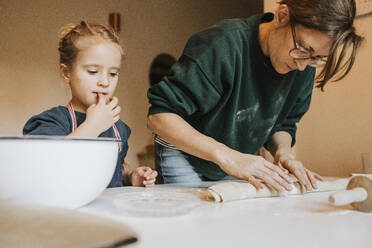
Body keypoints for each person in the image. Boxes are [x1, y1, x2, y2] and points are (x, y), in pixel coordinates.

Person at [147, 0, 363, 191]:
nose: (303, 64)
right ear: (282, 15)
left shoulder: (304, 67)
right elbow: (160, 116)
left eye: (317, 57)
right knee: (192, 223)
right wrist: (228, 157)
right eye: (303, 49)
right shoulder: (223, 44)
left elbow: (282, 124)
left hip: (235, 157)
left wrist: (283, 154)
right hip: (184, 154)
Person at [23, 21, 157, 188]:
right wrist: (93, 126)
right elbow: (47, 164)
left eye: (113, 73)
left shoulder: (118, 128)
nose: (105, 82)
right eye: (93, 71)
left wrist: (130, 176)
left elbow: (117, 166)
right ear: (66, 73)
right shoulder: (52, 121)